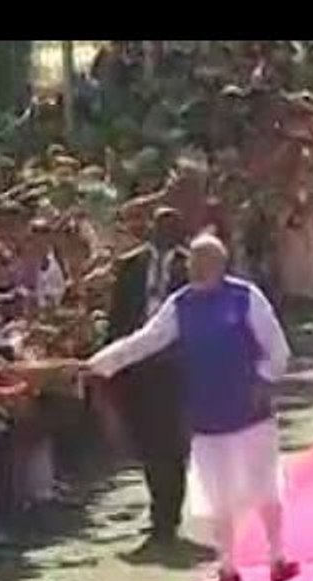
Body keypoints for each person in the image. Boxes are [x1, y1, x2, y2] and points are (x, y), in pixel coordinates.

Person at [87, 234, 299, 581]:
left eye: (200, 262)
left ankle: (277, 556)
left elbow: (276, 348)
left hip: (251, 410)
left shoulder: (245, 297)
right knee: (217, 495)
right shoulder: (180, 304)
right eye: (192, 263)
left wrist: (262, 380)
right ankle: (227, 566)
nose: (193, 268)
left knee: (264, 484)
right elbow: (146, 339)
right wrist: (101, 363)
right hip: (206, 412)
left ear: (218, 263)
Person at [103, 207, 197, 553]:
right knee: (148, 439)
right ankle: (159, 504)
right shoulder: (131, 266)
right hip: (140, 363)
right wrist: (111, 360)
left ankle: (169, 511)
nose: (164, 232)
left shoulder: (191, 266)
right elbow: (117, 317)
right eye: (159, 226)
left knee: (173, 440)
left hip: (176, 364)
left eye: (171, 227)